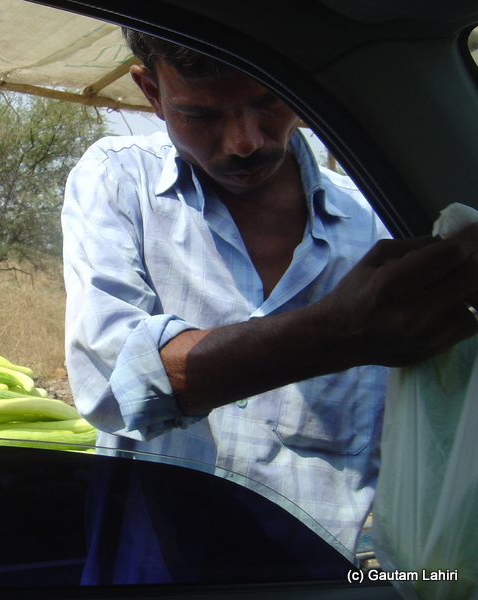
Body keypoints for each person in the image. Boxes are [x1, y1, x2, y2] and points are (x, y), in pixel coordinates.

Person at [62, 27, 478, 565]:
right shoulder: (119, 179)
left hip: (320, 574)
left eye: (269, 100)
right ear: (152, 93)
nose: (245, 142)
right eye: (202, 115)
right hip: (154, 565)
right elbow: (112, 383)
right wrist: (337, 334)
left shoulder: (376, 222)